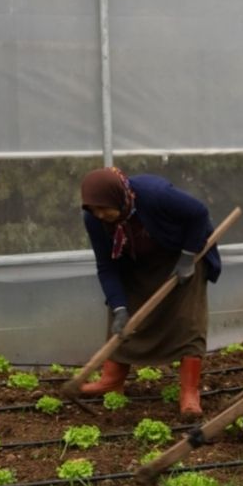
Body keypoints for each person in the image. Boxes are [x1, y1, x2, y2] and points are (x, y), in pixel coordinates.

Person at [79, 167, 222, 416]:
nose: (100, 215)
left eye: (104, 208)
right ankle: (111, 380)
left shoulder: (154, 194)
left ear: (118, 197)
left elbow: (199, 213)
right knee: (122, 318)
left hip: (180, 254)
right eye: (94, 210)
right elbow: (106, 266)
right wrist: (120, 307)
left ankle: (189, 392)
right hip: (135, 261)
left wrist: (188, 257)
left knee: (187, 319)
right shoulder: (95, 220)